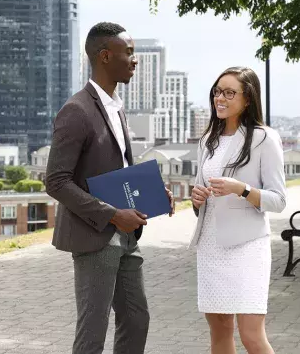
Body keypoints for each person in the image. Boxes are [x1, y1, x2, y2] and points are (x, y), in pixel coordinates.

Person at [45, 22, 175, 354]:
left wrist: (155, 195)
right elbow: (56, 181)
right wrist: (113, 215)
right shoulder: (76, 111)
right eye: (129, 53)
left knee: (136, 319)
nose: (135, 61)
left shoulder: (116, 108)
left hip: (127, 237)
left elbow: (118, 170)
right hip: (94, 236)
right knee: (93, 329)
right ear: (105, 56)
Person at [189, 67, 286, 354]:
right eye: (217, 91)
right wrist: (197, 199)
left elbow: (278, 200)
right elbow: (200, 195)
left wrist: (240, 189)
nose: (220, 98)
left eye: (229, 92)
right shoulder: (208, 140)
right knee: (219, 330)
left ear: (248, 98)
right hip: (210, 245)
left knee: (251, 335)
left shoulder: (263, 138)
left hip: (247, 247)